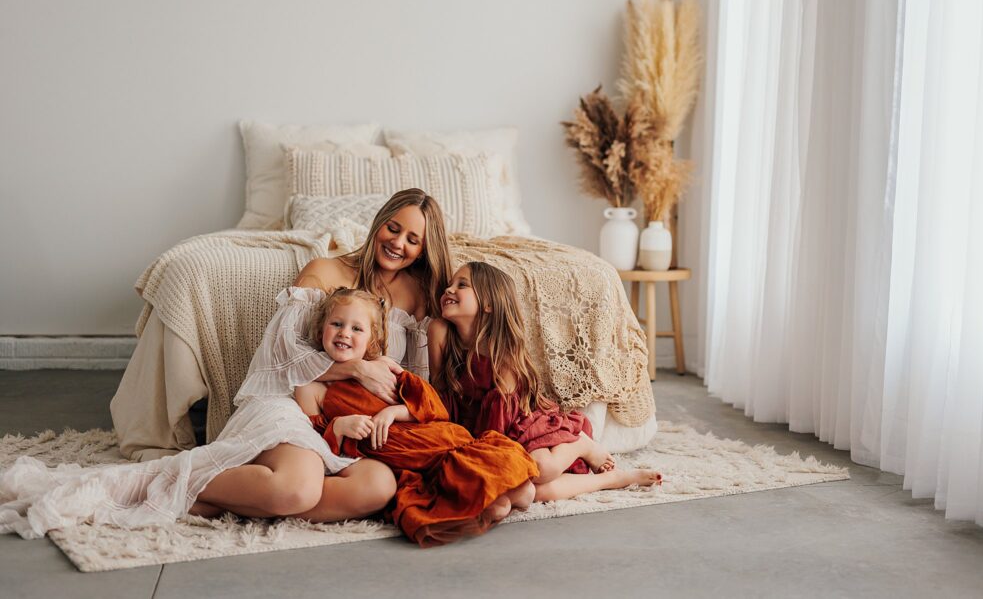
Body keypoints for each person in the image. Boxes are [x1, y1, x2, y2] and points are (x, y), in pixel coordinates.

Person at [0, 189, 452, 538]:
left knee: (378, 488)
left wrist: (392, 410)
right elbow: (278, 358)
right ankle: (167, 482)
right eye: (393, 228)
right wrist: (354, 368)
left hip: (350, 423)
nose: (399, 243)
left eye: (414, 239)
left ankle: (227, 499)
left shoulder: (416, 297)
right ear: (379, 224)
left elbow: (414, 384)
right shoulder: (325, 271)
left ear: (425, 248)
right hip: (288, 405)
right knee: (296, 489)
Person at [295, 287, 537, 547]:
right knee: (499, 506)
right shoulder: (311, 388)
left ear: (371, 341)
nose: (344, 333)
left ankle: (584, 476)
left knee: (526, 492)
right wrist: (339, 426)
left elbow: (433, 404)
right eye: (337, 324)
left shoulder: (382, 367)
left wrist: (394, 411)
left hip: (441, 442)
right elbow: (312, 443)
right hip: (411, 467)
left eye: (357, 329)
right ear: (322, 331)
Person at [428, 261, 662, 502]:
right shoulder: (439, 331)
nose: (449, 289)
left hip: (517, 424)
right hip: (473, 426)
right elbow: (438, 393)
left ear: (488, 303)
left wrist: (492, 459)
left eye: (462, 285)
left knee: (541, 468)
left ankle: (582, 445)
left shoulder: (503, 352)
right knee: (536, 492)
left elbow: (501, 418)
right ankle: (608, 480)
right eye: (449, 284)